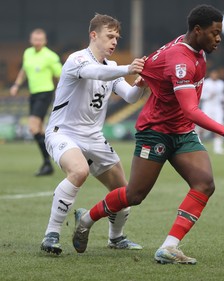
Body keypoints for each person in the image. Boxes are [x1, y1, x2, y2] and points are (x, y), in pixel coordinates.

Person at [72, 4, 224, 265]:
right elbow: (191, 110)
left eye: (220, 32)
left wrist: (149, 76)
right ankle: (87, 218)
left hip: (182, 132)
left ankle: (169, 247)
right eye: (214, 32)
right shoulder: (181, 59)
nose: (219, 38)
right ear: (198, 30)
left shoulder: (192, 48)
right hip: (155, 132)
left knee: (205, 183)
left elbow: (152, 61)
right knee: (134, 195)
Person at [40, 13, 147, 255]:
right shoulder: (76, 59)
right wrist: (128, 68)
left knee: (125, 193)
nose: (114, 42)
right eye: (110, 36)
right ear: (93, 35)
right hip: (63, 132)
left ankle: (116, 238)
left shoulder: (110, 67)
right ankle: (51, 234)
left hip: (94, 137)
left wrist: (142, 82)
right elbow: (96, 73)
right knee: (79, 171)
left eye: (117, 38)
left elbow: (130, 97)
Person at [10, 28, 62, 176]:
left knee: (33, 127)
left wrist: (61, 92)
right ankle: (51, 158)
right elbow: (24, 70)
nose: (37, 42)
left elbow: (61, 75)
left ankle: (48, 162)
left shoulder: (50, 56)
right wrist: (16, 85)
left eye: (40, 39)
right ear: (31, 40)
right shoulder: (28, 53)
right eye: (35, 39)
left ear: (45, 41)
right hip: (33, 94)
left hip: (45, 93)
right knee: (38, 130)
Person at [200, 69, 224, 154]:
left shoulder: (221, 83)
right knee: (203, 127)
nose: (214, 75)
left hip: (217, 107)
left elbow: (221, 94)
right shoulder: (206, 83)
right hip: (208, 106)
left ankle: (217, 148)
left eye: (216, 74)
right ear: (211, 74)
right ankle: (198, 144)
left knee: (220, 126)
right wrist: (208, 95)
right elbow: (200, 95)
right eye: (213, 74)